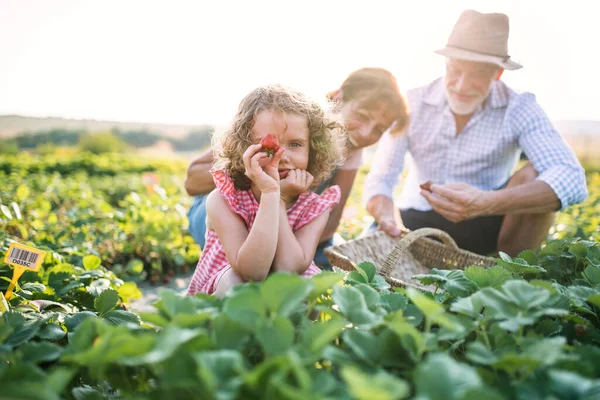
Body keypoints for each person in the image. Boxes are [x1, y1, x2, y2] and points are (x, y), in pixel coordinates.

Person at [363, 10, 588, 257]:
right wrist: (388, 220)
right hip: (415, 220)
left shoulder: (519, 107)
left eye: (478, 75)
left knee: (534, 174)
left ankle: (509, 274)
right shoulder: (412, 103)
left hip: (490, 224)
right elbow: (381, 180)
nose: (461, 86)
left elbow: (572, 178)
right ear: (446, 63)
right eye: (455, 70)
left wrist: (487, 202)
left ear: (497, 73)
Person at [184, 68, 409, 268]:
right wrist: (258, 172)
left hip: (288, 224)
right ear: (339, 98)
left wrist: (284, 215)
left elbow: (329, 226)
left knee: (333, 255)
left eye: (379, 129)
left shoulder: (352, 150)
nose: (366, 133)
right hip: (235, 215)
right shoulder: (287, 116)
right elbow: (191, 181)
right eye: (361, 116)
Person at [186, 84, 347, 296]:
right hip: (227, 293)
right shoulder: (224, 199)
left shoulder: (315, 207)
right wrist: (271, 194)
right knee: (238, 284)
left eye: (296, 144)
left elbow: (288, 269)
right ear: (244, 148)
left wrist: (278, 200)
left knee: (309, 287)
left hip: (281, 291)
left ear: (314, 148)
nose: (283, 156)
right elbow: (252, 272)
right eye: (269, 147)